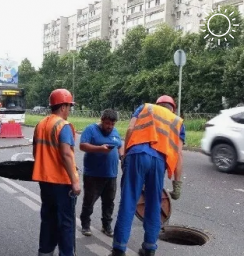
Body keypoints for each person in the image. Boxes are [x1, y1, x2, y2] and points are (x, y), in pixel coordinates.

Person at [109, 95, 185, 256]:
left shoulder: (146, 108)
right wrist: (177, 185)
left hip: (137, 154)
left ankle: (119, 249)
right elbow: (178, 154)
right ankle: (149, 248)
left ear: (158, 104)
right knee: (154, 204)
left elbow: (130, 129)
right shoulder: (177, 121)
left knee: (129, 202)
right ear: (173, 108)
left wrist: (126, 156)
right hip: (159, 162)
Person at [32, 88, 81, 256]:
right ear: (63, 107)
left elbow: (35, 151)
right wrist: (74, 180)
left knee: (48, 220)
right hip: (61, 183)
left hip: (44, 181)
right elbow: (66, 153)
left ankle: (44, 253)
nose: (69, 110)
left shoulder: (40, 124)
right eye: (69, 107)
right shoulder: (63, 126)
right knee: (66, 223)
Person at [79, 109, 124, 238]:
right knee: (89, 201)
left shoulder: (114, 132)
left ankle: (106, 225)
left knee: (109, 202)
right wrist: (99, 148)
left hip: (111, 174)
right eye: (107, 123)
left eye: (112, 124)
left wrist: (122, 157)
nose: (110, 127)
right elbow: (82, 146)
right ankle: (85, 225)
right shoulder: (91, 129)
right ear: (102, 120)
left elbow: (119, 145)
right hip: (93, 174)